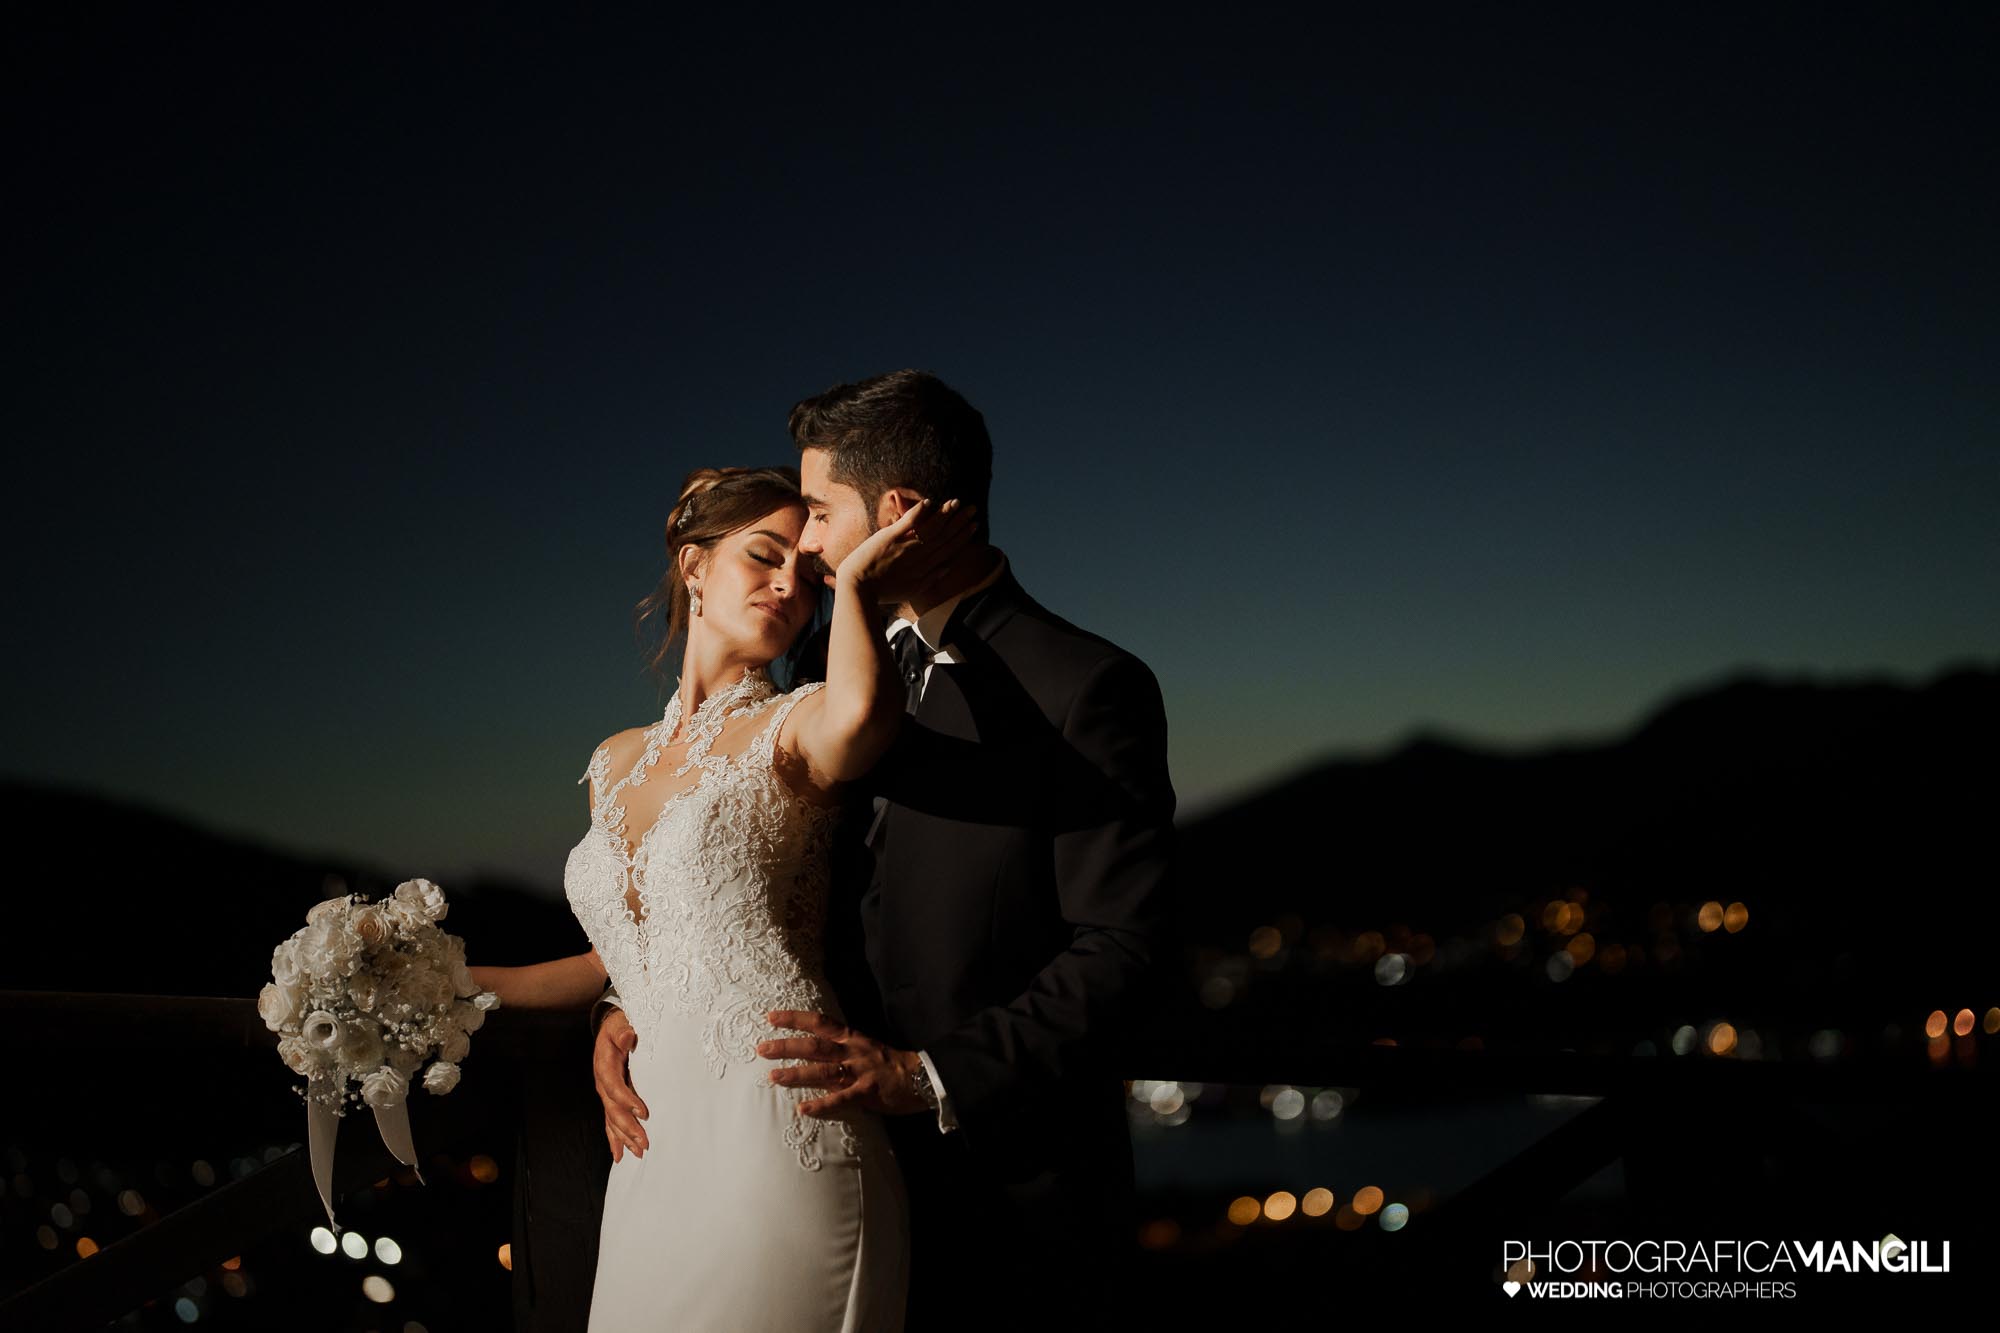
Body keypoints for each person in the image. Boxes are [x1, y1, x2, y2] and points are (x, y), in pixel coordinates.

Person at [593, 371, 1179, 1327]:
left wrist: (927, 1074)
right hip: (793, 1156)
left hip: (1003, 1198)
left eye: (819, 512)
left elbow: (1125, 947)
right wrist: (640, 998)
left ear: (898, 512)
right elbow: (754, 869)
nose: (809, 546)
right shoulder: (823, 666)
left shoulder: (1085, 686)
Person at [470, 462, 977, 1332]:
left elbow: (861, 714)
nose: (789, 584)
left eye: (806, 574)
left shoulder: (797, 721)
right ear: (693, 565)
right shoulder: (612, 759)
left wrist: (854, 579)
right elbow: (613, 960)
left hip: (780, 1133)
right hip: (650, 1152)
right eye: (763, 556)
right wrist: (430, 984)